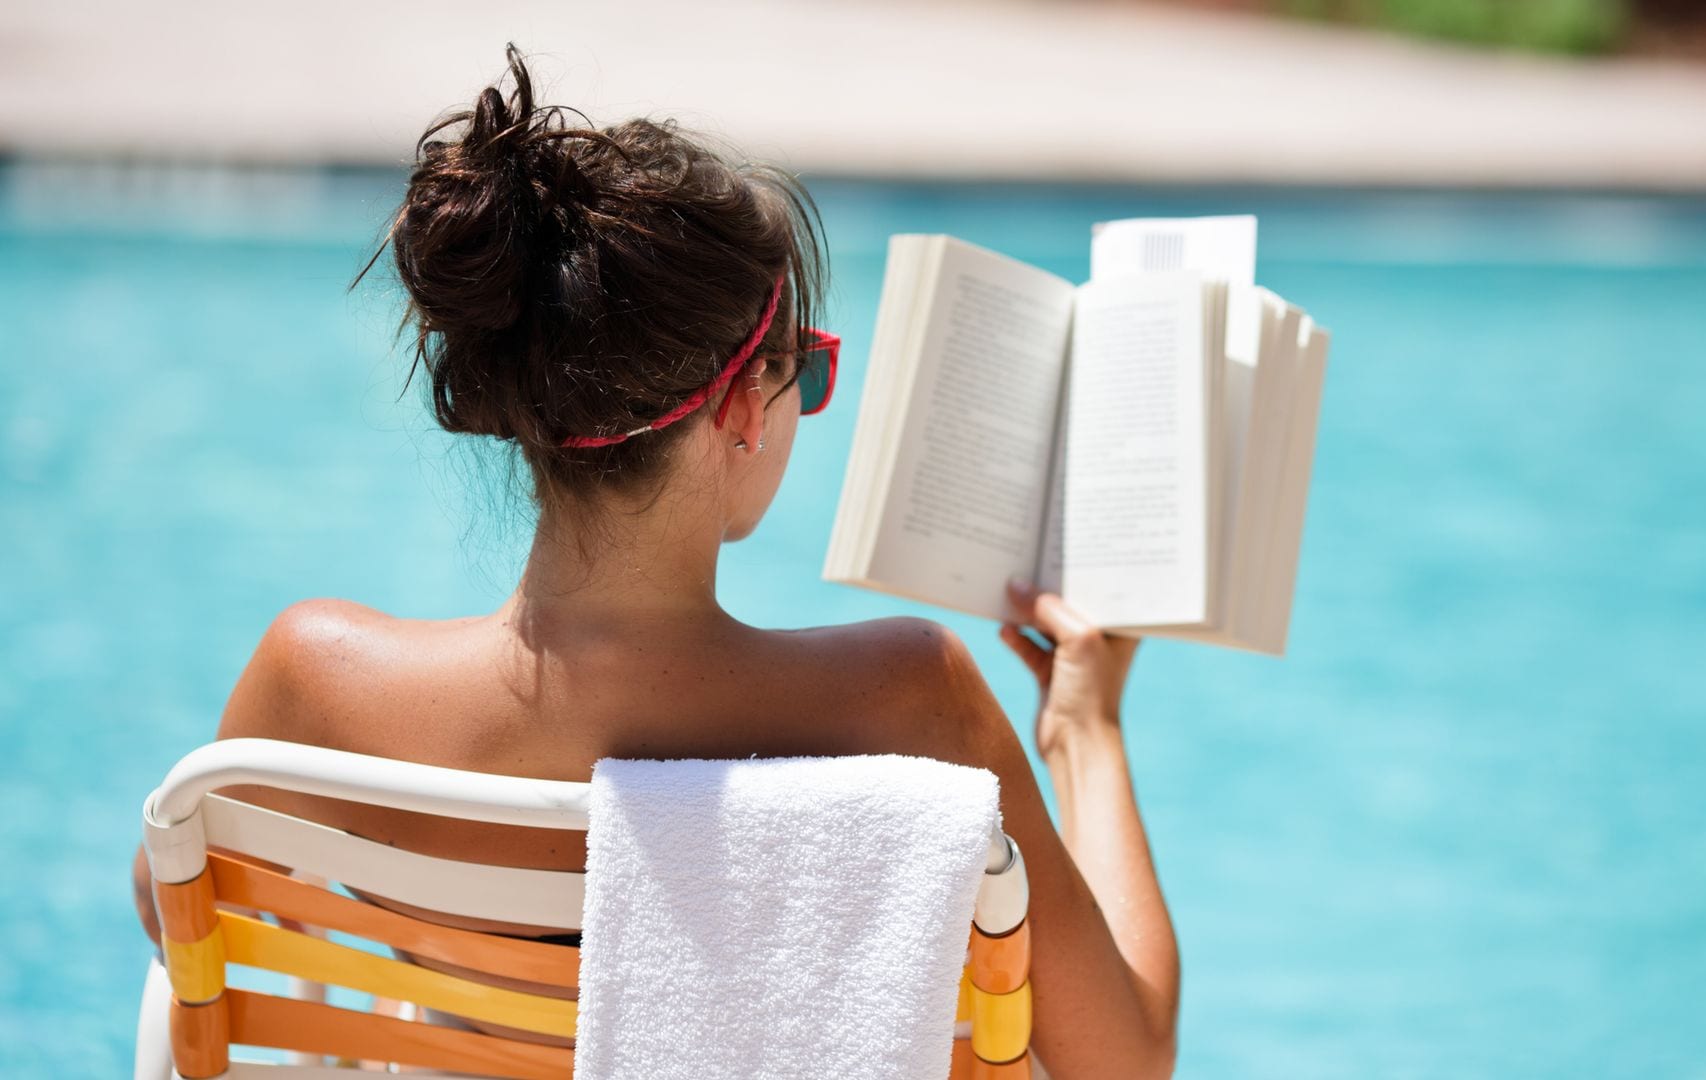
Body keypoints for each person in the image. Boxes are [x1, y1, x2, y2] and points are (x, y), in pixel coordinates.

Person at [131, 45, 1178, 1079]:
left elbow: (174, 909)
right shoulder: (911, 702)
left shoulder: (315, 687)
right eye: (803, 373)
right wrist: (1085, 730)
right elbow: (1128, 1060)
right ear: (737, 409)